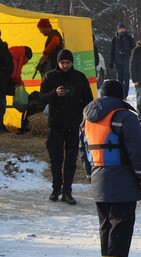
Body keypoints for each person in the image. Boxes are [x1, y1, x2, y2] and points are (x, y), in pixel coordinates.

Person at [79, 80, 141, 257]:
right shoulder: (125, 117)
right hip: (122, 179)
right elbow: (137, 151)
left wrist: (90, 175)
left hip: (98, 177)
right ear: (122, 96)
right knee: (121, 222)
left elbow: (83, 150)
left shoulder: (87, 120)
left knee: (106, 224)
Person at [39, 49, 93, 205]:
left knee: (71, 159)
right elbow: (41, 98)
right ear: (58, 62)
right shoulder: (50, 77)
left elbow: (88, 100)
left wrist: (79, 113)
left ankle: (67, 191)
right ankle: (56, 189)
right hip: (55, 125)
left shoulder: (79, 77)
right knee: (55, 158)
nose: (65, 65)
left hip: (73, 125)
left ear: (72, 63)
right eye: (62, 63)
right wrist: (54, 94)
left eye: (68, 62)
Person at [109, 22, 134, 99]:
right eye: (120, 29)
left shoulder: (129, 38)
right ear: (118, 30)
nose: (122, 30)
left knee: (126, 79)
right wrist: (111, 62)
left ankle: (125, 94)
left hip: (127, 62)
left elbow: (134, 49)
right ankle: (120, 94)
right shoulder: (114, 39)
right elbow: (112, 51)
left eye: (123, 28)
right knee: (119, 80)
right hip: (118, 62)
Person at [0, 30, 14, 133]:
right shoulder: (3, 47)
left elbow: (9, 66)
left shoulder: (3, 47)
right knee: (1, 103)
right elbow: (10, 65)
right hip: (1, 81)